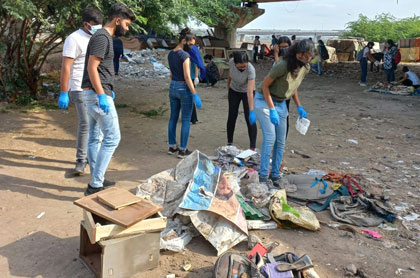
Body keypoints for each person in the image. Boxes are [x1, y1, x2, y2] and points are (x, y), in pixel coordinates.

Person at [81, 3, 136, 195]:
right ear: (118, 20)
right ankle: (96, 184)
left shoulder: (102, 37)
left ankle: (99, 177)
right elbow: (91, 67)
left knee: (95, 137)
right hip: (97, 96)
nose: (127, 29)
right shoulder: (102, 37)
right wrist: (102, 94)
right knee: (113, 138)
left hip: (94, 94)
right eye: (127, 25)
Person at [248, 39, 313, 185]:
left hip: (281, 103)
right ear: (298, 53)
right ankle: (263, 176)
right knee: (270, 138)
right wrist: (271, 109)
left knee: (281, 141)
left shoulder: (305, 68)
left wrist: (299, 106)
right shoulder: (282, 65)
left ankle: (275, 175)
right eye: (304, 56)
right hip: (264, 100)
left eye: (309, 57)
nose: (306, 59)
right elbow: (265, 86)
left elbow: (293, 87)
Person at [58, 7, 103, 176]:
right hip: (78, 87)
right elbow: (66, 67)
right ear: (86, 24)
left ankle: (92, 159)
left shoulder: (98, 37)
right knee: (86, 123)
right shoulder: (74, 39)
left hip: (95, 88)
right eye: (94, 25)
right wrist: (64, 92)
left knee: (97, 125)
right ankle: (81, 161)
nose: (98, 27)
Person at [167, 28, 202, 158]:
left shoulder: (170, 54)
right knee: (186, 119)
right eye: (190, 44)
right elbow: (187, 77)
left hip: (173, 86)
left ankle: (172, 147)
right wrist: (195, 93)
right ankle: (183, 150)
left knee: (173, 118)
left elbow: (170, 74)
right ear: (184, 41)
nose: (191, 47)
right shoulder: (185, 56)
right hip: (184, 88)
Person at [226, 51, 257, 150]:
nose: (243, 68)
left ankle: (252, 147)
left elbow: (249, 91)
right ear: (235, 63)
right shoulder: (231, 62)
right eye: (240, 67)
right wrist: (228, 87)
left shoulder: (251, 69)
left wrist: (252, 110)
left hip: (247, 91)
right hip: (234, 90)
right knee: (232, 115)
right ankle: (229, 142)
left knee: (249, 118)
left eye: (244, 66)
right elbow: (230, 74)